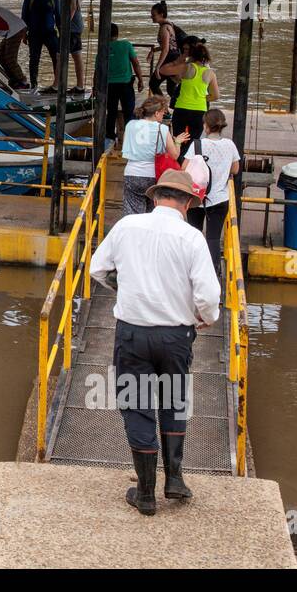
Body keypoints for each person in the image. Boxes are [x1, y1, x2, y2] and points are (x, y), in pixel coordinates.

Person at [89, 169, 221, 516]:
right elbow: (208, 294)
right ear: (189, 202)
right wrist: (204, 318)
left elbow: (96, 269)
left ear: (154, 197)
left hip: (133, 333)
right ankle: (174, 478)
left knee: (138, 405)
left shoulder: (127, 227)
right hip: (176, 336)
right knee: (174, 401)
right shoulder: (192, 238)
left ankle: (145, 494)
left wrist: (125, 291)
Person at [183, 108, 240, 274]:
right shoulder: (230, 145)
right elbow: (235, 169)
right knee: (213, 237)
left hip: (197, 197)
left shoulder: (197, 145)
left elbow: (184, 168)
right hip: (220, 199)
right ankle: (213, 272)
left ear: (206, 126)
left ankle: (191, 269)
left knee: (194, 233)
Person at [119, 95, 188, 215]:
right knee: (152, 212)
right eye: (162, 113)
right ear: (156, 113)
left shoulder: (130, 125)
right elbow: (175, 155)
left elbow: (125, 146)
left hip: (132, 173)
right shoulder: (162, 129)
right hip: (153, 175)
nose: (163, 116)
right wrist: (177, 142)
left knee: (132, 212)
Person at [160, 40, 218, 143]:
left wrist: (179, 59)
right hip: (199, 111)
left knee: (178, 140)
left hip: (182, 109)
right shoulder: (210, 73)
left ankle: (179, 157)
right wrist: (202, 98)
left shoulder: (186, 67)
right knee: (194, 142)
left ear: (192, 55)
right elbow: (215, 96)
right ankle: (190, 158)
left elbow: (163, 70)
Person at [21, 0, 62, 93]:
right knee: (34, 59)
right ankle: (34, 85)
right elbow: (24, 17)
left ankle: (57, 84)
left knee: (57, 58)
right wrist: (24, 34)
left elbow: (58, 18)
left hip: (50, 34)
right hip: (34, 34)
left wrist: (62, 35)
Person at [105, 23, 143, 144]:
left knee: (111, 112)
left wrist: (96, 87)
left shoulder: (103, 47)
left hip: (110, 85)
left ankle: (110, 137)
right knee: (129, 111)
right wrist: (141, 79)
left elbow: (98, 70)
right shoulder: (126, 45)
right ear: (117, 34)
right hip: (126, 84)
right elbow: (136, 63)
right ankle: (130, 138)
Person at [147, 1, 186, 101]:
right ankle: (182, 105)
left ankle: (163, 109)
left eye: (153, 15)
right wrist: (154, 50)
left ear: (161, 14)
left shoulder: (164, 28)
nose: (151, 17)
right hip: (175, 57)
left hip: (170, 58)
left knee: (153, 84)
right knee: (171, 89)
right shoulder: (169, 25)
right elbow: (169, 44)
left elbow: (166, 49)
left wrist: (158, 66)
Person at [54, 0, 85, 92]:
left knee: (60, 56)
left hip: (71, 27)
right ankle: (80, 86)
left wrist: (65, 24)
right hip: (75, 26)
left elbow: (73, 6)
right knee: (77, 55)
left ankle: (57, 86)